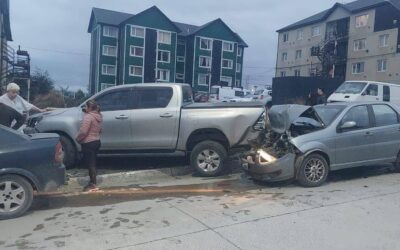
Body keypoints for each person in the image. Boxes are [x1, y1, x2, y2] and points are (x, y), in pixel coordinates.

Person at [75, 100, 103, 192]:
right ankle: (93, 181)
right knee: (93, 162)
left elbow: (83, 131)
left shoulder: (88, 117)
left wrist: (78, 139)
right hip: (96, 141)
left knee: (90, 164)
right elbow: (100, 130)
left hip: (88, 143)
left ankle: (92, 183)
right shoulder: (99, 116)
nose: (85, 108)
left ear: (90, 108)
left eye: (86, 107)